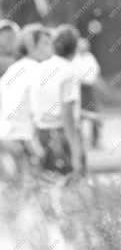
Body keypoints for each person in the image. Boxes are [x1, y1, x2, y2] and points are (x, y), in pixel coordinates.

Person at [0, 24, 51, 183]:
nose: (50, 48)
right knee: (30, 191)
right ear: (30, 45)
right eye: (45, 43)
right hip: (22, 139)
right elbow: (38, 110)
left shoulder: (14, 69)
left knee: (12, 194)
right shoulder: (38, 70)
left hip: (6, 136)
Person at [32, 24, 85, 179]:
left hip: (41, 133)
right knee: (69, 187)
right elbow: (67, 112)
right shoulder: (69, 71)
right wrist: (76, 150)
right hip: (61, 135)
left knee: (47, 186)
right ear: (75, 48)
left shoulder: (39, 68)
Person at [71, 36, 102, 149]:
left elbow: (96, 73)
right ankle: (77, 141)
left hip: (90, 88)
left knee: (95, 114)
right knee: (78, 115)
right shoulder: (74, 58)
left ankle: (96, 140)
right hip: (79, 88)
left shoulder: (91, 58)